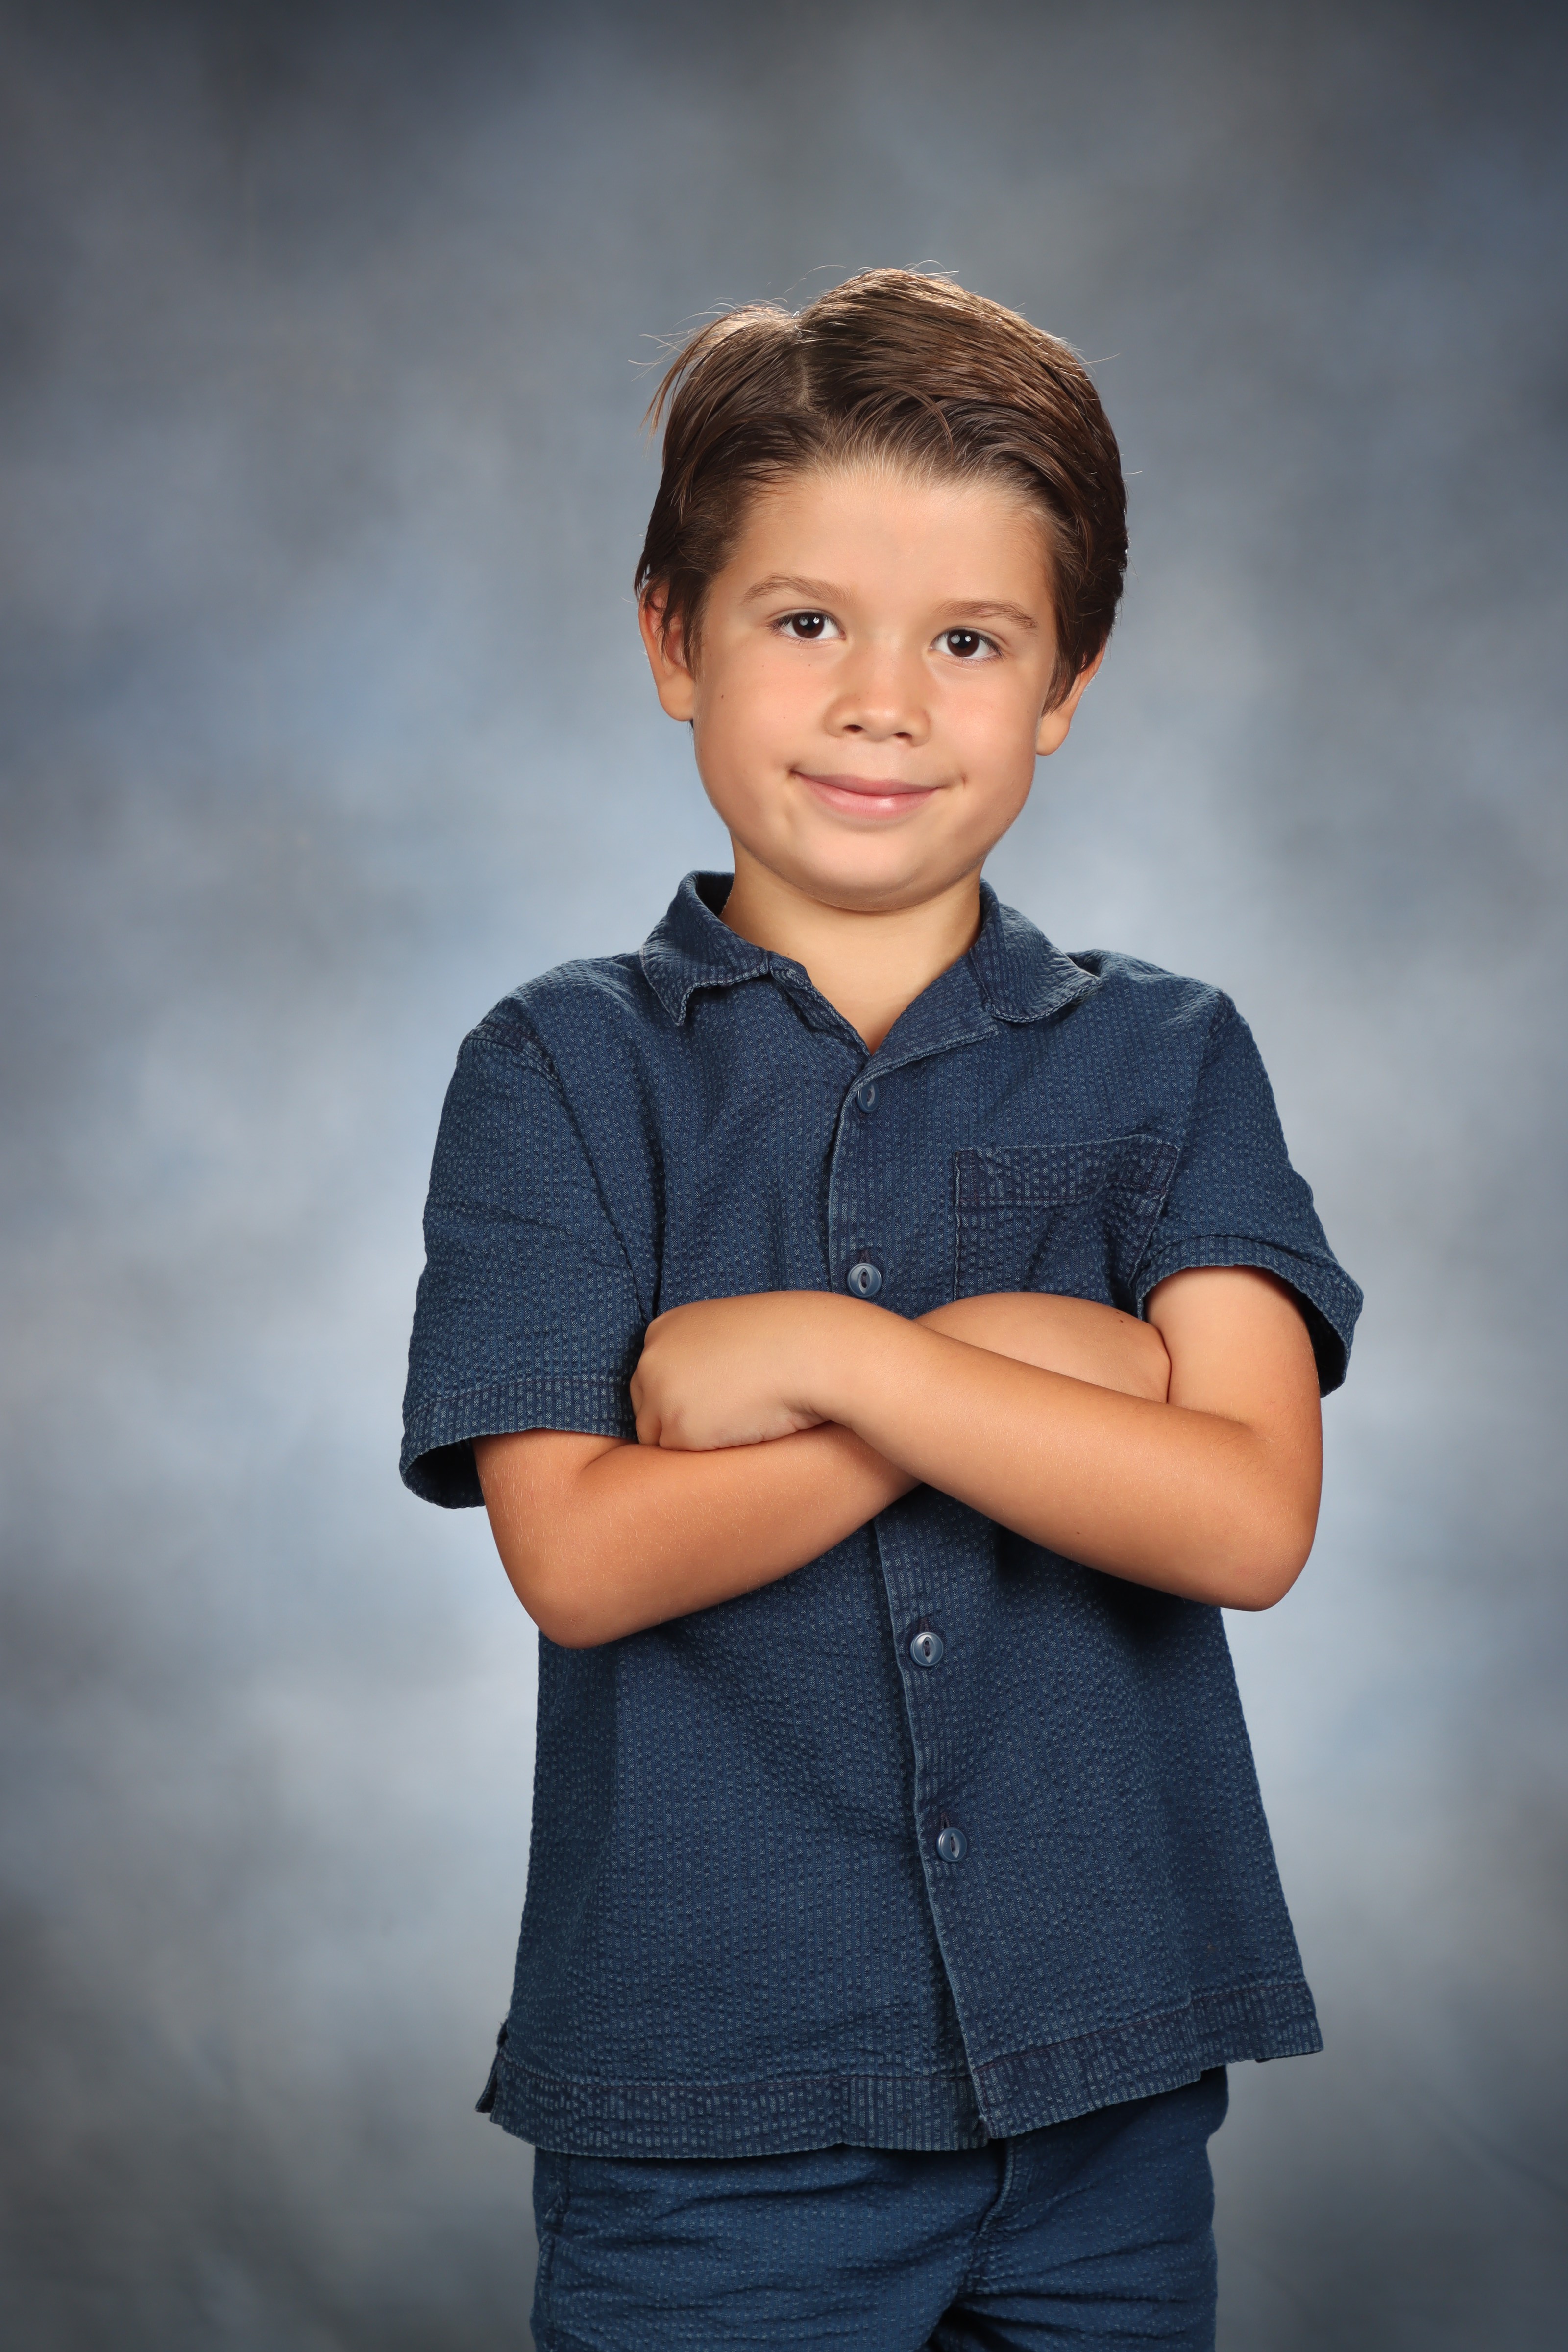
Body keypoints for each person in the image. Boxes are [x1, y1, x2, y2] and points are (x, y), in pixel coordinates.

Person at [400, 269, 1362, 2351]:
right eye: (807, 621)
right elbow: (583, 1556)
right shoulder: (556, 1070)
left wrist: (845, 1361)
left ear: (1066, 683)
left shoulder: (1173, 1060)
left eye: (969, 641)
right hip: (707, 2128)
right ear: (674, 638)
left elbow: (1243, 1517)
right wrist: (1027, 1372)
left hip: (1109, 2101)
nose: (883, 704)